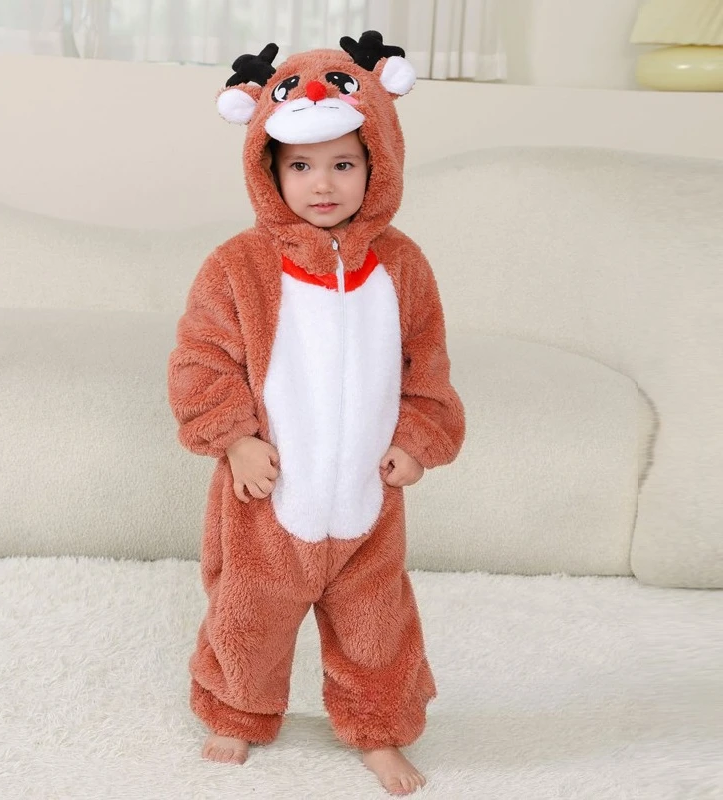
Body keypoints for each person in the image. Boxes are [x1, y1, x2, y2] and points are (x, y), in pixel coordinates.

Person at [167, 30, 466, 797]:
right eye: (300, 166)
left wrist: (418, 440)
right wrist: (235, 440)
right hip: (269, 494)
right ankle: (236, 711)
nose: (322, 184)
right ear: (270, 169)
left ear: (377, 162)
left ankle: (380, 730)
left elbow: (426, 364)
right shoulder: (238, 266)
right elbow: (202, 361)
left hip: (367, 495)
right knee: (249, 614)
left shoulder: (402, 265)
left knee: (378, 624)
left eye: (343, 164)